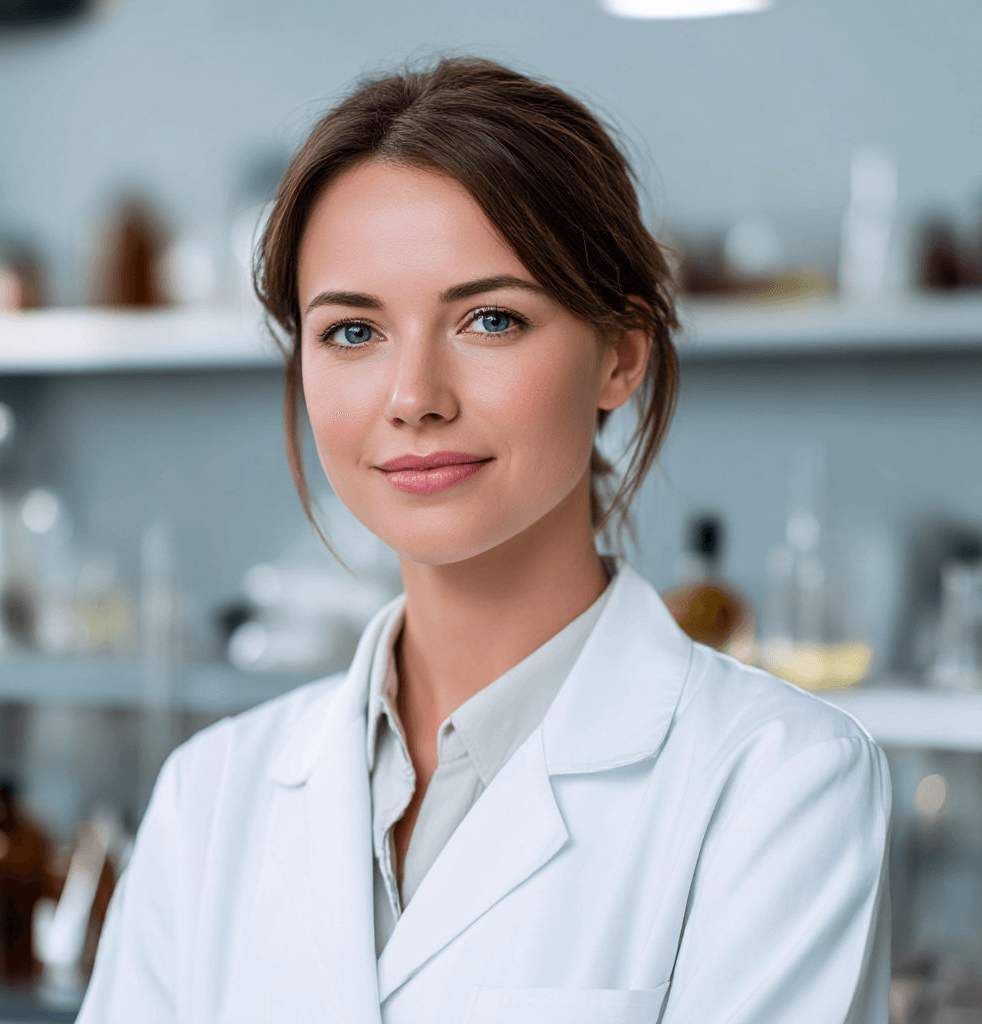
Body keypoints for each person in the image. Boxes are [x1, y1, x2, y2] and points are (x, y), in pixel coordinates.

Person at [76, 57, 891, 1024]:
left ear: (620, 355)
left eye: (490, 319)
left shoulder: (779, 782)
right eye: (350, 333)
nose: (414, 396)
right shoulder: (209, 797)